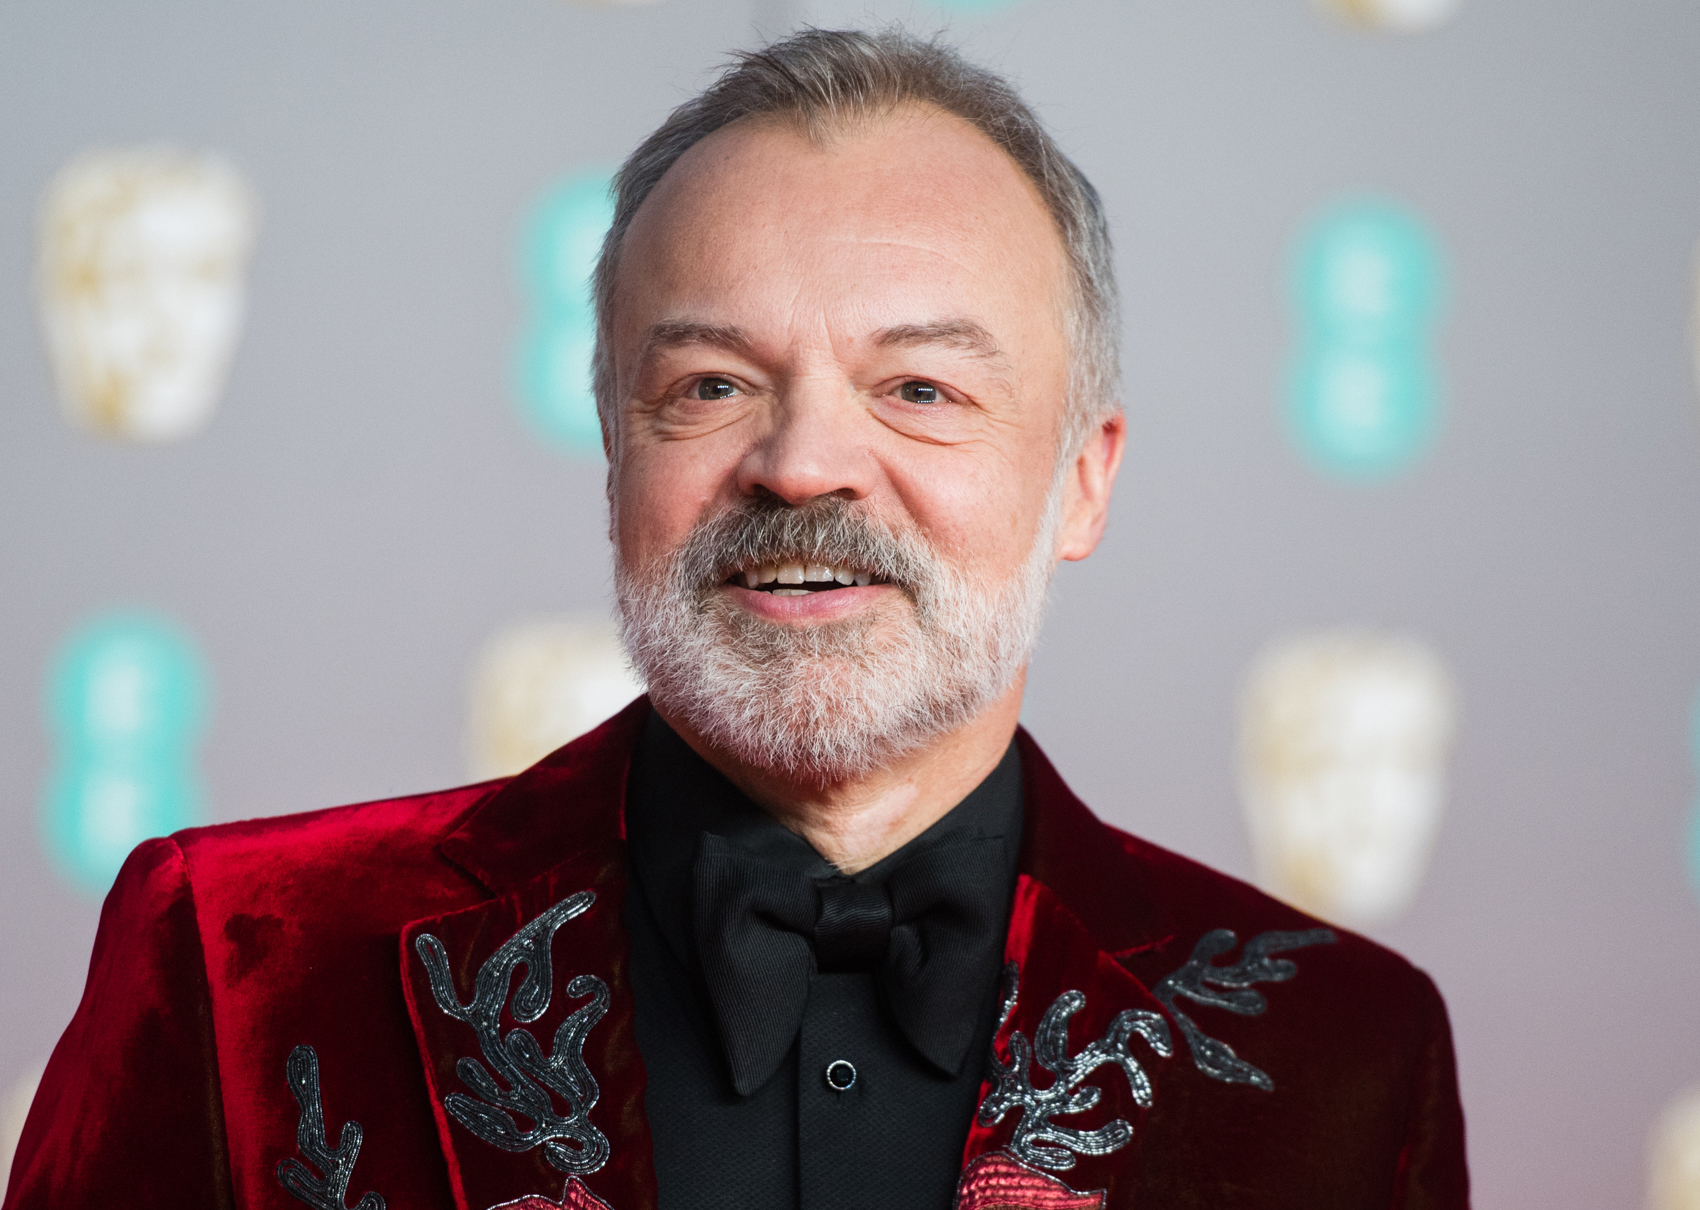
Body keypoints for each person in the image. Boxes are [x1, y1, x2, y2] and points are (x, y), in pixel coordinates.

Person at [4, 27, 1468, 1210]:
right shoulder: (240, 959)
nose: (802, 462)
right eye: (709, 384)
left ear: (1081, 482)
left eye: (921, 389)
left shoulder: (1342, 1050)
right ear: (613, 444)